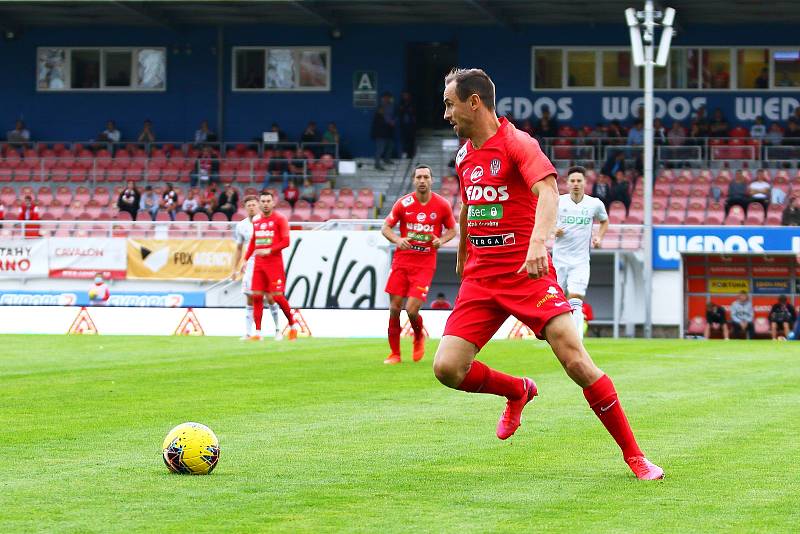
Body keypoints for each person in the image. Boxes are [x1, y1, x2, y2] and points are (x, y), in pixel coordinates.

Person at [438, 67, 663, 480]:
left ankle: (635, 456)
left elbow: (548, 192)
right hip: (481, 279)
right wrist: (462, 252)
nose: (446, 114)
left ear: (474, 102)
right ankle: (517, 390)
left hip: (526, 273)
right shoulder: (464, 155)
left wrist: (538, 243)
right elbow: (470, 204)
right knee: (448, 369)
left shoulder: (518, 142)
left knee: (575, 359)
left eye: (450, 104)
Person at [381, 164, 457, 364]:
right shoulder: (403, 203)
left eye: (426, 177)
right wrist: (398, 240)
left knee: (412, 309)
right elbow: (386, 228)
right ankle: (395, 353)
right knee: (395, 308)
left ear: (432, 180)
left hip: (424, 264)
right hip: (402, 261)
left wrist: (441, 240)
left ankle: (418, 336)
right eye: (419, 177)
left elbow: (452, 230)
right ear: (414, 180)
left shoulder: (441, 205)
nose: (422, 181)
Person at [552, 166, 609, 341]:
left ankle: (576, 340)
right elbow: (543, 219)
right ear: (567, 183)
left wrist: (599, 237)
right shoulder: (558, 201)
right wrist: (553, 229)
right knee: (555, 299)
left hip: (581, 260)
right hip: (559, 259)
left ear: (585, 182)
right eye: (573, 181)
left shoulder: (594, 204)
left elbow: (604, 221)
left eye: (579, 180)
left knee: (576, 297)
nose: (576, 184)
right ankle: (554, 335)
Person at [242, 191, 299, 341]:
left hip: (274, 263)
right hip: (259, 264)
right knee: (256, 296)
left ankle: (293, 326)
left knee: (277, 297)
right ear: (260, 203)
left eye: (268, 201)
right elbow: (253, 242)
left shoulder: (280, 219)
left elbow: (286, 241)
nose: (266, 204)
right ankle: (258, 333)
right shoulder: (257, 221)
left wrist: (270, 249)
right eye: (263, 201)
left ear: (273, 203)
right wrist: (245, 259)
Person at [231, 195, 282, 340]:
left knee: (270, 296)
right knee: (250, 296)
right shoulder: (241, 226)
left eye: (254, 204)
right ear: (245, 207)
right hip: (251, 264)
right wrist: (235, 268)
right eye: (249, 205)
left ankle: (278, 330)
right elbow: (239, 248)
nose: (252, 207)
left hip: (267, 262)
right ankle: (248, 332)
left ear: (258, 205)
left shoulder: (265, 221)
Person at [371, 92, 395, 170]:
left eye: (388, 98)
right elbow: (380, 125)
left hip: (387, 132)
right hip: (380, 134)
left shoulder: (390, 107)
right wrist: (389, 122)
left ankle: (386, 159)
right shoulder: (378, 115)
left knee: (390, 145)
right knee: (380, 148)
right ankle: (377, 164)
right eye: (385, 98)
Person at [398, 91, 417, 158]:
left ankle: (411, 154)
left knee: (411, 140)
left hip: (411, 125)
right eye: (404, 95)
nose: (405, 96)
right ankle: (405, 152)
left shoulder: (412, 103)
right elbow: (400, 111)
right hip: (404, 125)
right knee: (404, 139)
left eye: (406, 95)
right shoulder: (401, 103)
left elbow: (413, 111)